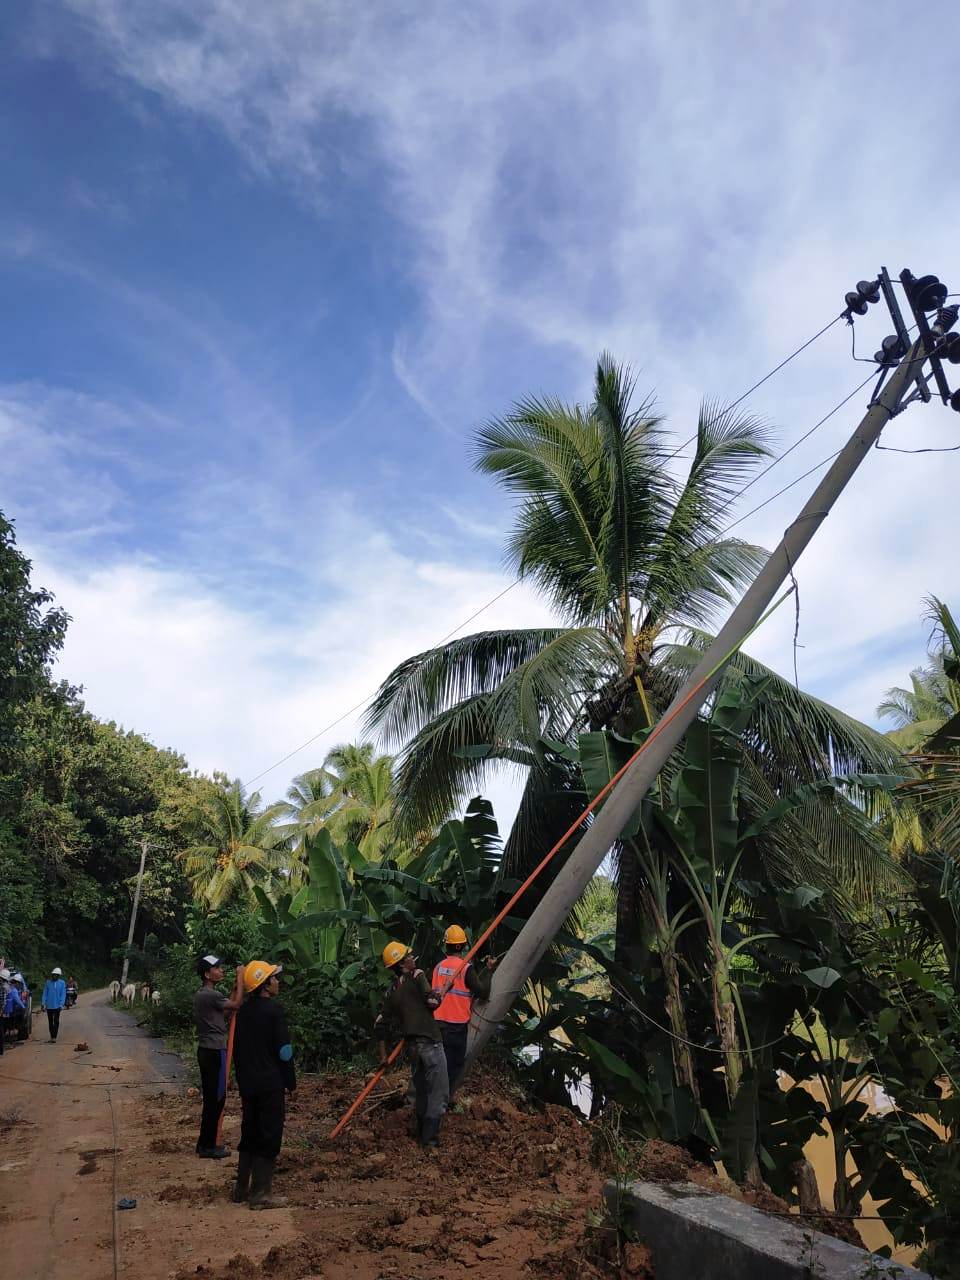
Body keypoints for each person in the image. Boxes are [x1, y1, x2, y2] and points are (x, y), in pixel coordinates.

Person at [231, 960, 296, 1210]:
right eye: (274, 978)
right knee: (269, 1134)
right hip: (270, 1083)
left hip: (248, 1083)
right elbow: (284, 1051)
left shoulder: (243, 1011)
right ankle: (260, 1194)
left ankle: (241, 1188)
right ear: (265, 985)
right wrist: (290, 1081)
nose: (277, 981)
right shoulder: (273, 1011)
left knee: (250, 1131)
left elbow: (236, 1048)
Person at [376, 941, 449, 1149]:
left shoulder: (392, 991)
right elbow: (432, 1003)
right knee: (439, 1093)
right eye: (408, 956)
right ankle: (430, 1142)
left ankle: (421, 1136)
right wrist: (440, 993)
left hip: (413, 1048)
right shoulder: (417, 975)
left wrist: (383, 1056)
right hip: (430, 1043)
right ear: (402, 964)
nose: (412, 957)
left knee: (422, 1091)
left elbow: (379, 1023)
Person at [431, 925, 496, 1095]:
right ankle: (441, 1102)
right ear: (463, 946)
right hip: (456, 1027)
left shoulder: (438, 967)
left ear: (447, 945)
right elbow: (482, 993)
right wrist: (489, 971)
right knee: (453, 1065)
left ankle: (433, 1097)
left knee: (437, 1064)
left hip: (437, 1024)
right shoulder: (465, 969)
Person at [193, 955, 244, 1159]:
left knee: (213, 1099)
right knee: (216, 1100)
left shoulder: (206, 995)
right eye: (217, 968)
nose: (221, 970)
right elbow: (237, 1005)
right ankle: (208, 1146)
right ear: (207, 974)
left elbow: (223, 1014)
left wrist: (232, 990)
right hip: (214, 1052)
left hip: (209, 1051)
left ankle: (204, 1143)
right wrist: (241, 979)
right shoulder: (209, 995)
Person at [41, 967, 67, 1042]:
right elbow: (45, 994)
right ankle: (51, 1036)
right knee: (50, 1021)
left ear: (58, 976)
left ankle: (54, 1037)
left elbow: (63, 994)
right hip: (49, 1006)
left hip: (57, 1006)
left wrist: (61, 1004)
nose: (54, 976)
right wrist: (43, 1003)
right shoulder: (48, 982)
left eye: (56, 975)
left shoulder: (62, 983)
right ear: (52, 975)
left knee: (56, 1021)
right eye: (53, 975)